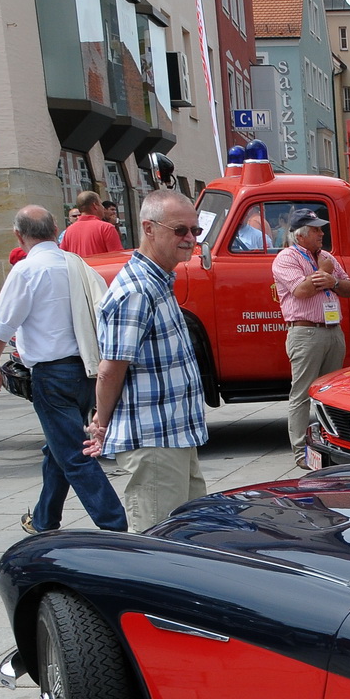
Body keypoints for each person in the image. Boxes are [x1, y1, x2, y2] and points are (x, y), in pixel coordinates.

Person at [0, 206, 127, 534]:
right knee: (57, 448)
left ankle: (115, 526)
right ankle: (45, 519)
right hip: (85, 369)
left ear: (19, 235)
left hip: (52, 374)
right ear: (55, 229)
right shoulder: (76, 264)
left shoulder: (27, 270)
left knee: (73, 454)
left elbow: (0, 327)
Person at [85, 189, 209, 533]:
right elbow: (111, 369)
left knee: (191, 535)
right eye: (180, 230)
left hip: (173, 435)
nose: (190, 239)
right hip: (155, 441)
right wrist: (102, 422)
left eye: (195, 230)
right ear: (149, 229)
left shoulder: (157, 280)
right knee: (158, 542)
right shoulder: (138, 289)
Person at [272, 208, 350, 465]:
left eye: (320, 229)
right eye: (316, 230)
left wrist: (333, 281)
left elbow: (349, 288)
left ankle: (334, 445)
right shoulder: (286, 258)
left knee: (332, 393)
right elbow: (302, 291)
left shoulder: (327, 257)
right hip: (306, 332)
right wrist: (324, 272)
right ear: (301, 235)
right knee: (302, 394)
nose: (322, 233)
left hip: (333, 330)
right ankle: (300, 452)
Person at [59, 191, 124, 257]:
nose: (103, 208)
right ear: (95, 205)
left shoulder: (69, 230)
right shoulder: (106, 228)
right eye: (101, 204)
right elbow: (118, 257)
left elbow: (62, 256)